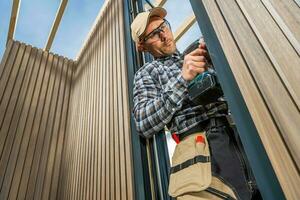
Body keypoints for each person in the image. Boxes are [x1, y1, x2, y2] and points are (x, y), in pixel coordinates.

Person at [131, 7, 261, 200]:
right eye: (154, 34)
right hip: (201, 148)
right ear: (142, 46)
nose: (164, 35)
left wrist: (216, 61)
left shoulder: (194, 55)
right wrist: (183, 79)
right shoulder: (147, 73)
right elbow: (144, 123)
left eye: (163, 27)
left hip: (241, 135)